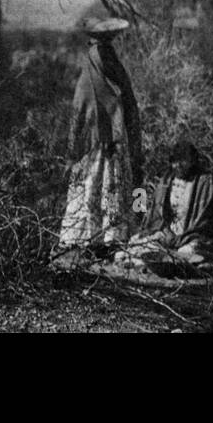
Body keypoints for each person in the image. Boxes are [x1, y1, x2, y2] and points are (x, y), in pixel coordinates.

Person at [55, 18, 143, 258]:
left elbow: (127, 107)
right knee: (95, 189)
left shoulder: (108, 71)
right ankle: (91, 239)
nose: (104, 57)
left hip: (111, 147)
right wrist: (73, 153)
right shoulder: (91, 76)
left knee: (107, 188)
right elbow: (77, 116)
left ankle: (108, 239)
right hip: (95, 150)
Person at [127, 138, 213, 266]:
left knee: (185, 254)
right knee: (136, 244)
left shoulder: (205, 183)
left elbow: (206, 221)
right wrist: (164, 231)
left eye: (183, 160)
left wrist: (185, 236)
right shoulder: (166, 181)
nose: (178, 165)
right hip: (167, 234)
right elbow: (158, 216)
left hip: (192, 237)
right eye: (175, 161)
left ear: (192, 160)